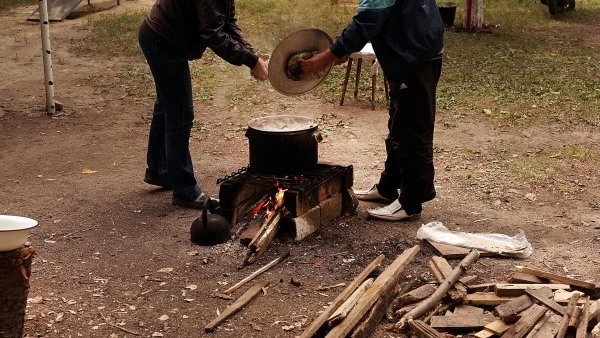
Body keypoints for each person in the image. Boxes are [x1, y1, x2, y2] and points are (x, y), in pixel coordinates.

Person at [300, 0, 444, 221]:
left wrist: (328, 56)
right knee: (399, 122)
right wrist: (343, 50)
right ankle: (389, 186)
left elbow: (369, 18)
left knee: (412, 130)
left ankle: (411, 202)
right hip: (411, 46)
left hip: (415, 54)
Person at [138, 0, 268, 209]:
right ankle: (185, 191)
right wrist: (251, 60)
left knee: (167, 106)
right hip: (163, 41)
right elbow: (213, 34)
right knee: (180, 114)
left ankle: (160, 171)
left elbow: (227, 23)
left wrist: (252, 56)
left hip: (160, 36)